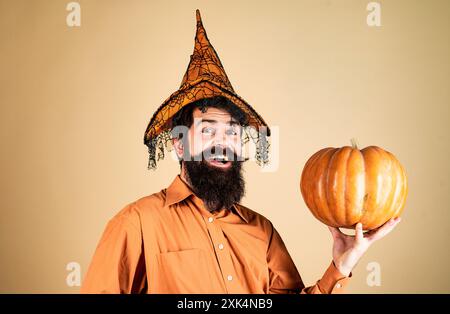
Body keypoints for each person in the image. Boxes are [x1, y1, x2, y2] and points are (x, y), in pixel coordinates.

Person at [80, 10, 400, 294]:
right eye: (208, 130)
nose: (224, 141)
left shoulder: (261, 231)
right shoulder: (136, 223)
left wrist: (342, 266)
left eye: (232, 131)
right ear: (179, 142)